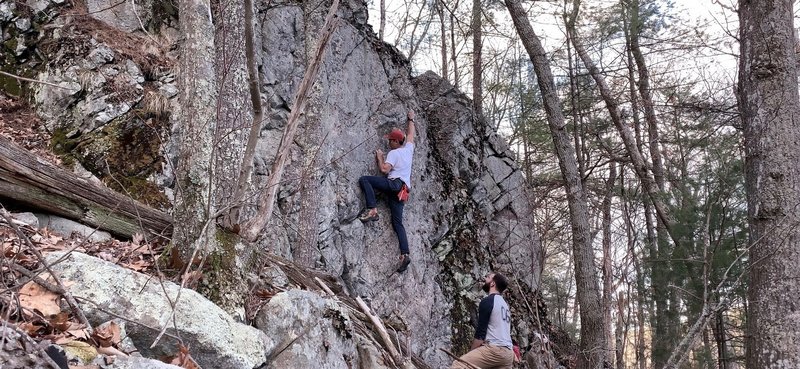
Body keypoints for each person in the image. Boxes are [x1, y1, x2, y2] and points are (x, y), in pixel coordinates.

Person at [358, 110, 416, 273]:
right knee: (398, 223)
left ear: (396, 142)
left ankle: (372, 209)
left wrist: (380, 157)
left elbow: (384, 170)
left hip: (394, 185)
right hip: (402, 192)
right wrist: (411, 119)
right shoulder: (408, 149)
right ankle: (405, 254)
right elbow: (411, 134)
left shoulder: (395, 153)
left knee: (365, 180)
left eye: (390, 140)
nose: (389, 142)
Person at [450, 272, 515, 369]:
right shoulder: (505, 305)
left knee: (459, 364)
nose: (485, 279)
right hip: (509, 354)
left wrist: (471, 353)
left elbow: (480, 334)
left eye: (488, 277)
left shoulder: (488, 301)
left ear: (493, 284)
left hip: (495, 350)